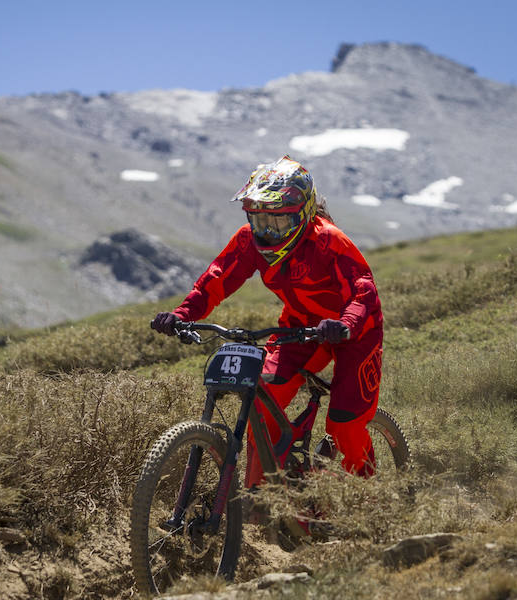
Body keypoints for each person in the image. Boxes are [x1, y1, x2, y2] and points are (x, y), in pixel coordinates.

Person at [152, 155, 383, 488]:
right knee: (262, 401)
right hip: (300, 329)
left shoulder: (330, 242)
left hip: (355, 331)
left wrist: (345, 323)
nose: (267, 232)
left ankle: (369, 503)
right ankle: (260, 503)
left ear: (303, 215)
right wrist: (182, 314)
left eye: (277, 222)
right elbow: (216, 279)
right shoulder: (249, 241)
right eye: (258, 220)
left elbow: (363, 291)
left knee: (345, 425)